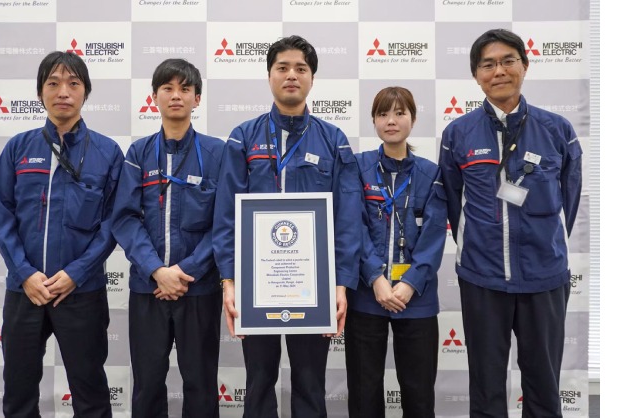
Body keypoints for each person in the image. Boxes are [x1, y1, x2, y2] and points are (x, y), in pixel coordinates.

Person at [212, 35, 363, 418]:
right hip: (256, 284)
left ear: (312, 78)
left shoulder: (333, 140)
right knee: (259, 378)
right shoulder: (243, 137)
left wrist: (340, 282)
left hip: (313, 286)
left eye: (301, 68)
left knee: (311, 381)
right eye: (283, 67)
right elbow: (227, 213)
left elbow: (346, 217)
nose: (291, 75)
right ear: (269, 76)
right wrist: (229, 281)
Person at [438, 28, 583, 418]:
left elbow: (568, 201)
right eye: (488, 64)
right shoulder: (458, 134)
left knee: (543, 382)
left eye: (507, 61)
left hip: (545, 277)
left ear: (524, 65)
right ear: (476, 75)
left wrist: (544, 243)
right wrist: (479, 244)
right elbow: (454, 204)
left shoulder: (557, 130)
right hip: (482, 278)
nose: (498, 71)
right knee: (486, 386)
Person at [0, 51, 124, 418]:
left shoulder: (107, 152)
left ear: (85, 93)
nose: (63, 91)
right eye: (53, 83)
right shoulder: (18, 148)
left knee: (90, 392)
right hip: (24, 291)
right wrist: (25, 273)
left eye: (73, 83)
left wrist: (76, 274)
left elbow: (112, 223)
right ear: (40, 94)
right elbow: (1, 218)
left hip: (80, 292)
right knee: (18, 391)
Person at [111, 58, 224, 418]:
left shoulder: (217, 153)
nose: (176, 96)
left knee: (202, 384)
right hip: (149, 290)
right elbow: (125, 220)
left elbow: (224, 223)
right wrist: (157, 271)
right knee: (146, 385)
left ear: (197, 99)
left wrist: (185, 271)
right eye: (168, 89)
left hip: (199, 289)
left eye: (185, 89)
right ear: (154, 97)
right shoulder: (138, 154)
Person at [346, 86, 447, 418]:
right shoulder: (358, 168)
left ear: (413, 120)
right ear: (374, 121)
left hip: (415, 299)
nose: (391, 120)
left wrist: (408, 284)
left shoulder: (431, 173)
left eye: (400, 113)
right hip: (366, 296)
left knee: (418, 393)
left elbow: (434, 236)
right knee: (364, 390)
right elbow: (352, 227)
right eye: (383, 113)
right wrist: (375, 277)